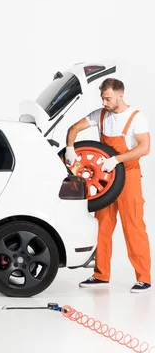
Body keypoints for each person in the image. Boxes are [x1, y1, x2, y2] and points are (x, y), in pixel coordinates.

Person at [65, 77, 151, 293]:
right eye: (103, 98)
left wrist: (117, 160)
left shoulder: (136, 118)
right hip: (105, 180)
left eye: (108, 98)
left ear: (120, 94)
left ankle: (144, 278)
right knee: (102, 227)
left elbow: (144, 148)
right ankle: (101, 275)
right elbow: (73, 128)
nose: (104, 102)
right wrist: (69, 147)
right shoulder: (100, 115)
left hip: (129, 177)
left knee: (133, 227)